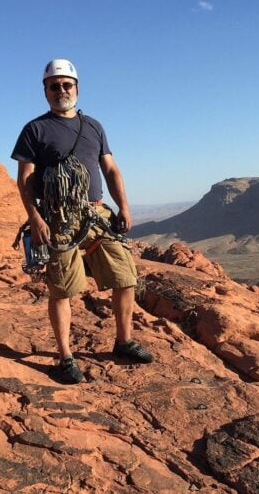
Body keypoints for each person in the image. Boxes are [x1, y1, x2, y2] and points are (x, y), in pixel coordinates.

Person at [11, 59, 154, 383]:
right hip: (58, 218)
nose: (61, 90)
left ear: (76, 88)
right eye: (54, 85)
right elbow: (26, 179)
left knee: (125, 276)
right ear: (45, 91)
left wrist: (124, 207)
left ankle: (124, 341)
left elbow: (111, 169)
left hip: (97, 212)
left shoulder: (94, 126)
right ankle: (65, 358)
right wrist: (34, 217)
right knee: (61, 289)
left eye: (67, 84)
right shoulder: (34, 129)